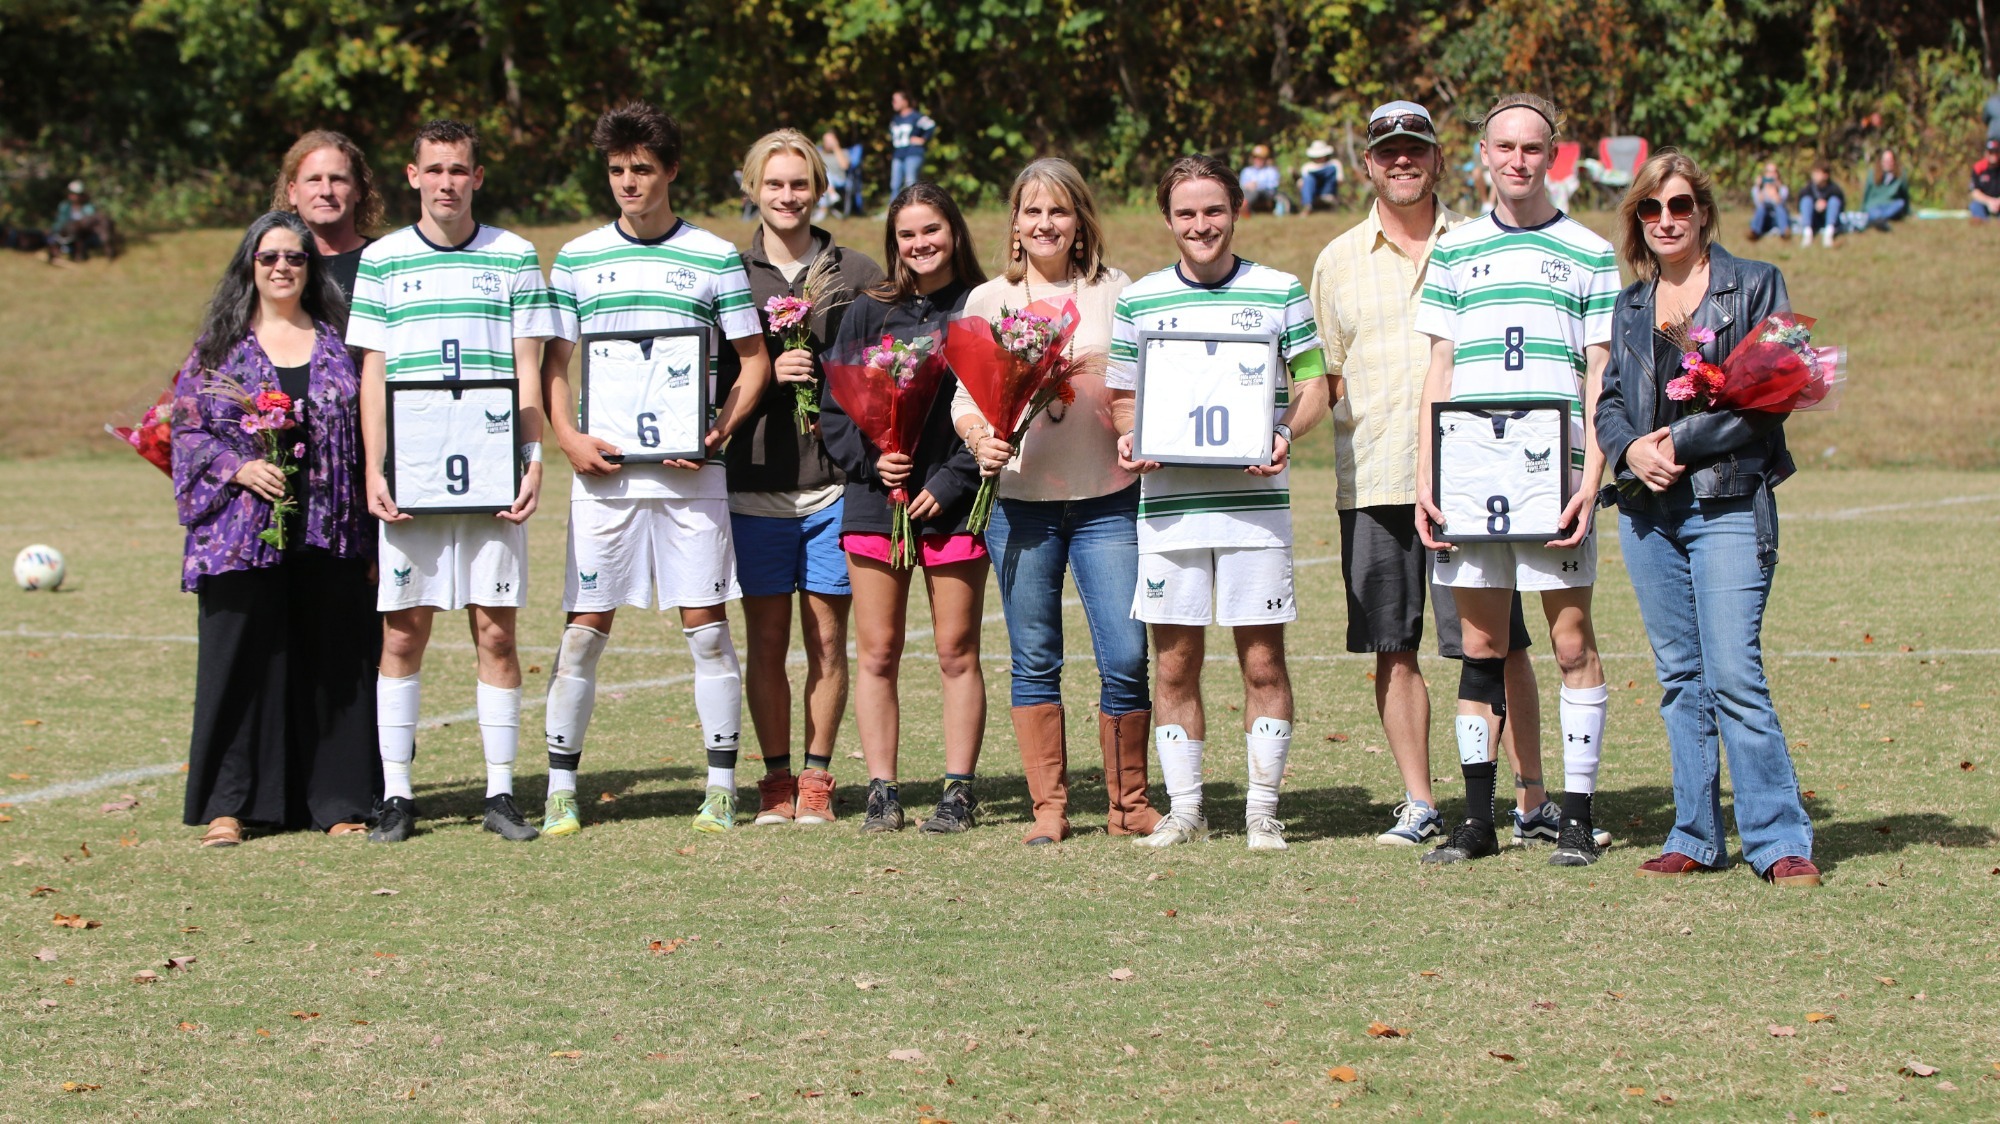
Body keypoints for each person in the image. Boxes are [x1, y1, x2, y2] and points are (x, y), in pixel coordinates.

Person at [1308, 100, 1562, 851]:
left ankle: (1530, 800)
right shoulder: (1335, 261)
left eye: (1414, 148)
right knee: (1394, 644)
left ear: (1438, 157)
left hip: (1480, 479)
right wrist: (1272, 435)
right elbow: (1324, 378)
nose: (1401, 161)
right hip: (1378, 476)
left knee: (1502, 644)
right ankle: (1419, 802)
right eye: (1387, 151)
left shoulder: (1484, 243)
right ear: (1367, 165)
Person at [538, 103, 773, 837]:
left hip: (688, 477)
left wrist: (716, 432)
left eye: (643, 168)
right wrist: (568, 437)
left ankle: (720, 788)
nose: (629, 182)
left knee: (706, 631)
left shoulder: (712, 255)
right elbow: (555, 367)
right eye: (617, 170)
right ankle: (559, 791)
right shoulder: (576, 257)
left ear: (670, 170)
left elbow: (755, 362)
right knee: (582, 633)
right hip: (605, 482)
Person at [1596, 151, 1820, 887]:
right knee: (1680, 679)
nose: (1666, 220)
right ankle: (1695, 834)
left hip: (1726, 501)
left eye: (1681, 205)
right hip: (1646, 513)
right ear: (1636, 219)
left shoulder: (1755, 284)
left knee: (1733, 674)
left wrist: (1677, 444)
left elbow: (1776, 393)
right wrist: (1630, 449)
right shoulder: (1630, 305)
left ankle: (1780, 840)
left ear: (1704, 211)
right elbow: (1608, 405)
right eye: (1651, 209)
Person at [1414, 93, 1619, 868]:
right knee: (1481, 642)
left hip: (1554, 478)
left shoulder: (1592, 251)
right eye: (1504, 146)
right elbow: (1437, 369)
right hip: (1468, 476)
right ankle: (1476, 821)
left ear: (1553, 155)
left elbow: (1601, 376)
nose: (1518, 160)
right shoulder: (1456, 250)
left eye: (1533, 148)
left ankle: (1575, 815)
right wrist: (1427, 474)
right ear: (1484, 154)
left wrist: (1591, 475)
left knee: (1571, 644)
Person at [1109, 155, 1330, 852]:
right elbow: (1121, 397)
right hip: (1170, 512)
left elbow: (1317, 386)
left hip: (1254, 511)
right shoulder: (1142, 299)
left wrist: (1285, 432)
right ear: (1167, 219)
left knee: (1262, 664)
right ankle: (1186, 810)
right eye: (1186, 213)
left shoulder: (1280, 291)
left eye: (1213, 210)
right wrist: (1128, 437)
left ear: (1236, 211)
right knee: (1173, 665)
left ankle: (1262, 811)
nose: (1200, 225)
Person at [348, 119, 556, 844]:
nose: (446, 182)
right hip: (414, 477)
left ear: (477, 176)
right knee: (402, 635)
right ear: (412, 176)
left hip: (494, 472)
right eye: (434, 169)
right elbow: (374, 373)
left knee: (496, 633)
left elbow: (529, 364)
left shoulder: (515, 256)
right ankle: (397, 796)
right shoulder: (382, 259)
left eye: (459, 170)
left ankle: (501, 793)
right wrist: (374, 466)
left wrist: (535, 458)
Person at [953, 157, 1159, 845]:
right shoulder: (989, 301)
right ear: (1014, 223)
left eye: (1059, 211)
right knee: (1035, 656)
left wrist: (1138, 432)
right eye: (1032, 211)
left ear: (1080, 223)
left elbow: (1142, 381)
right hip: (1020, 505)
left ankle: (1129, 805)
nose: (1045, 224)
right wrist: (981, 437)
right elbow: (965, 396)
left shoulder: (1117, 291)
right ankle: (1050, 809)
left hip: (1107, 500)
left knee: (1126, 654)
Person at [172, 210, 377, 846]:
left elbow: (374, 432)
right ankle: (230, 806)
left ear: (313, 268)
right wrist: (237, 467)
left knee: (335, 661)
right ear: (250, 268)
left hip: (331, 528)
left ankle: (340, 800)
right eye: (269, 258)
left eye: (296, 257)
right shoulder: (218, 352)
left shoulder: (344, 346)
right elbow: (183, 432)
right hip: (240, 535)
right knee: (241, 664)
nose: (283, 267)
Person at [821, 183, 988, 835]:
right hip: (876, 500)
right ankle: (882, 791)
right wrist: (874, 460)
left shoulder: (980, 306)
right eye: (907, 234)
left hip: (952, 504)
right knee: (878, 651)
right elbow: (837, 410)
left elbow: (999, 411)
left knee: (956, 650)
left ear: (954, 232)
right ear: (894, 243)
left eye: (932, 230)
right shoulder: (867, 311)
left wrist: (952, 480)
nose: (920, 244)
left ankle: (957, 791)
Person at [729, 129, 884, 827]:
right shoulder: (730, 271)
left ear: (820, 189)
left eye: (800, 184)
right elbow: (709, 379)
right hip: (754, 485)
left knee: (826, 639)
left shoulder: (855, 269)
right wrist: (761, 376)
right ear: (752, 190)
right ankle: (773, 780)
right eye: (774, 184)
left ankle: (818, 778)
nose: (787, 197)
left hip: (833, 487)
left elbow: (885, 376)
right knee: (765, 641)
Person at [271, 130, 380, 298]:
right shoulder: (273, 266)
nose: (326, 191)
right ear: (292, 192)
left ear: (357, 190)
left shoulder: (385, 261)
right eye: (314, 180)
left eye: (337, 179)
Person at [46, 180, 117, 263]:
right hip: (68, 234)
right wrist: (53, 230)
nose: (75, 196)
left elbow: (91, 222)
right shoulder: (64, 206)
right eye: (72, 193)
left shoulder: (88, 207)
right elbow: (60, 222)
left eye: (77, 194)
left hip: (85, 235)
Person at [886, 91, 937, 201]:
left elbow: (931, 125)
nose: (893, 103)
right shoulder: (895, 119)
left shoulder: (915, 116)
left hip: (913, 153)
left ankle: (913, 209)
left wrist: (923, 139)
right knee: (895, 184)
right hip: (898, 154)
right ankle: (892, 210)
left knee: (911, 183)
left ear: (905, 101)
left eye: (896, 100)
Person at [1847, 148, 1909, 233]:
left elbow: (1905, 195)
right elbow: (1866, 193)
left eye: (1890, 161)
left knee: (1900, 203)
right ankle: (1879, 221)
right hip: (1874, 206)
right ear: (1881, 162)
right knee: (1874, 211)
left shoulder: (1900, 175)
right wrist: (1862, 210)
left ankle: (1879, 220)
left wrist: (1908, 211)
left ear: (1894, 162)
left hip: (1889, 205)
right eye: (1885, 161)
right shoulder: (1872, 174)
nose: (1887, 164)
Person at [1794, 161, 1844, 248]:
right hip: (1814, 219)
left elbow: (1841, 205)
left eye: (1817, 173)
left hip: (1828, 219)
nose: (1814, 176)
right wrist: (1815, 204)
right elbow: (1800, 204)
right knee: (1806, 200)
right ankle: (1807, 233)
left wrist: (1826, 204)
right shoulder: (1808, 188)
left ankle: (1829, 234)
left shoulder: (1834, 188)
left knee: (1834, 201)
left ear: (1825, 175)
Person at [1746, 162, 1790, 242]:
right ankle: (1754, 232)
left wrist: (1775, 190)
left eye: (1774, 172)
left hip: (1777, 220)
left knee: (1779, 207)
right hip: (1764, 220)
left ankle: (1784, 232)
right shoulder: (1757, 189)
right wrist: (1760, 188)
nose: (1771, 175)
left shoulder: (1783, 189)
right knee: (1763, 207)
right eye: (1769, 172)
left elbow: (1780, 203)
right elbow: (1758, 204)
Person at [815, 130, 851, 221]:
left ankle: (823, 209)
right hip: (823, 180)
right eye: (826, 141)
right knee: (824, 173)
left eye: (830, 140)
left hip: (839, 180)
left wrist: (836, 148)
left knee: (826, 174)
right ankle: (832, 194)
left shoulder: (843, 152)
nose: (828, 143)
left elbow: (845, 166)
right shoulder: (820, 153)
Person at [1299, 140, 1343, 213]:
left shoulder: (1334, 164)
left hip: (1329, 193)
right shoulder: (1307, 167)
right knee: (1309, 178)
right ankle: (1308, 206)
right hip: (1313, 194)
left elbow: (1340, 181)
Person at [1239, 145, 1283, 214]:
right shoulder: (1247, 171)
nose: (1258, 160)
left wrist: (1257, 185)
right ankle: (1241, 206)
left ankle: (1243, 206)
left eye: (1261, 158)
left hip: (1264, 194)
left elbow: (1273, 187)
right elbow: (1241, 184)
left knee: (1255, 192)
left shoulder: (1271, 171)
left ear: (1265, 159)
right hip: (1247, 192)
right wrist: (1248, 186)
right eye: (1256, 158)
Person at [1971, 139, 2000, 221]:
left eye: (1996, 152)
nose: (1994, 155)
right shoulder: (1978, 167)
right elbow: (1974, 192)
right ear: (1986, 153)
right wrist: (1989, 202)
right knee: (1975, 205)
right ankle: (1982, 224)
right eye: (1991, 152)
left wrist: (1998, 202)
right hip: (1984, 202)